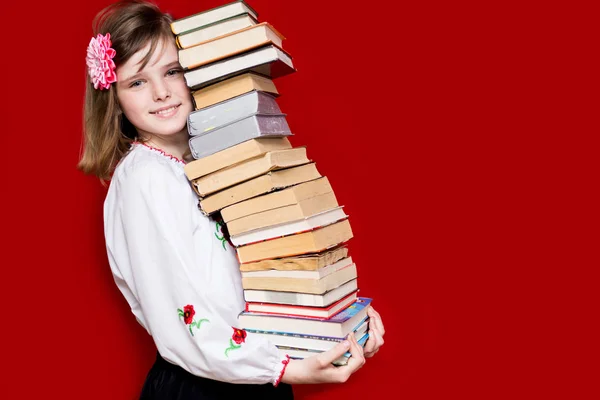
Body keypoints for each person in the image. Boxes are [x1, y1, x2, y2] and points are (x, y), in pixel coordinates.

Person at [77, 1, 385, 398]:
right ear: (114, 98)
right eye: (136, 82)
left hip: (258, 374)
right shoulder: (145, 177)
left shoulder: (212, 163)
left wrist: (343, 319)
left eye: (172, 71)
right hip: (208, 387)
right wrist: (284, 365)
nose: (161, 92)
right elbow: (189, 319)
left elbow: (276, 264)